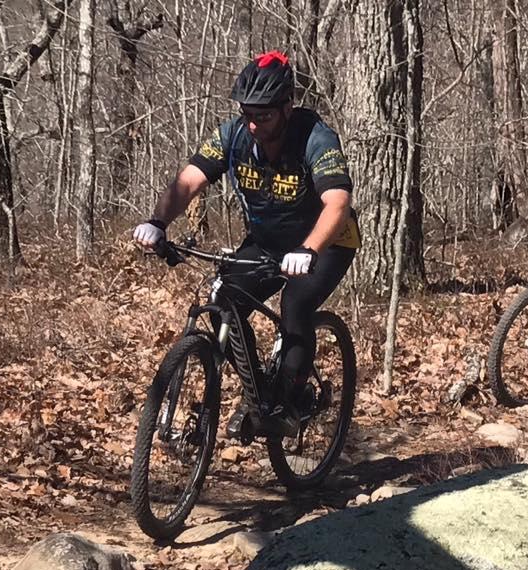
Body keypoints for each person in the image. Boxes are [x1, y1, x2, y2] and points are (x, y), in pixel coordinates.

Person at [133, 50, 360, 438]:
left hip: (326, 243)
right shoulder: (232, 136)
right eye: (248, 114)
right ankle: (258, 394)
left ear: (287, 107)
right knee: (225, 299)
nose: (254, 124)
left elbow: (337, 203)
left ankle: (291, 396)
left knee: (295, 303)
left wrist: (307, 251)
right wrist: (157, 222)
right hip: (268, 243)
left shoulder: (315, 138)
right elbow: (188, 181)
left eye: (265, 115)